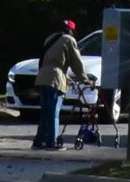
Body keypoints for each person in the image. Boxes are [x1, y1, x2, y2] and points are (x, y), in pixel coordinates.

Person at [35, 19, 90, 151]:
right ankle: (51, 142)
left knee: (45, 111)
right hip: (55, 79)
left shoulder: (50, 38)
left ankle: (39, 141)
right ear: (71, 30)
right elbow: (76, 62)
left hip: (42, 77)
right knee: (54, 112)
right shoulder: (69, 40)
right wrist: (84, 79)